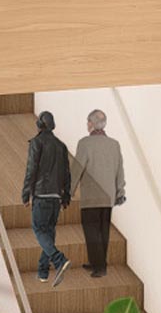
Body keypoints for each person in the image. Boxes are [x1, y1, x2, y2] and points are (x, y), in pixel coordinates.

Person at [73, 109, 127, 279]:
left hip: (91, 196)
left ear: (91, 124)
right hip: (108, 196)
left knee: (91, 231)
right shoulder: (114, 144)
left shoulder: (85, 143)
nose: (87, 124)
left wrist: (68, 191)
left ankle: (100, 266)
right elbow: (120, 170)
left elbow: (76, 169)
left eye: (88, 121)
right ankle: (97, 262)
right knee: (103, 231)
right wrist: (120, 191)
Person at [22, 111, 72, 288]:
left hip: (41, 195)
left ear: (40, 125)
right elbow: (67, 173)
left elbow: (31, 169)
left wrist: (25, 193)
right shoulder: (61, 146)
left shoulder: (37, 143)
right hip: (56, 197)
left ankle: (59, 260)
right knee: (48, 232)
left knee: (38, 229)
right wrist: (66, 196)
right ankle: (43, 271)